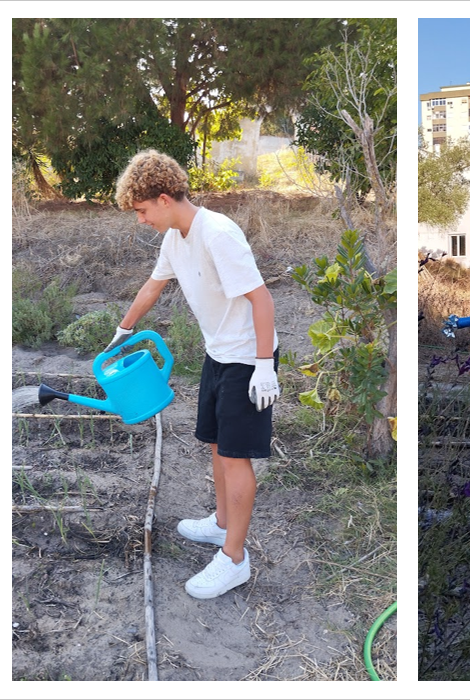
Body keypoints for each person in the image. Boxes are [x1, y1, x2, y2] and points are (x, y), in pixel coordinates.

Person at [110, 150, 279, 600]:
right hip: (218, 354)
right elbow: (153, 286)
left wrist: (264, 366)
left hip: (246, 358)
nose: (141, 220)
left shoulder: (217, 234)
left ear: (164, 199)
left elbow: (262, 301)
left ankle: (234, 559)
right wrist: (123, 330)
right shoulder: (174, 238)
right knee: (217, 444)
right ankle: (221, 523)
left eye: (143, 211)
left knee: (235, 456)